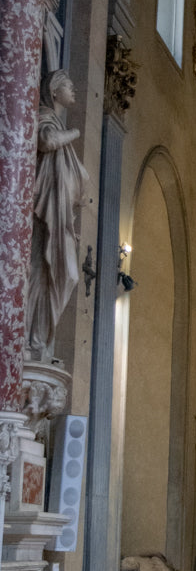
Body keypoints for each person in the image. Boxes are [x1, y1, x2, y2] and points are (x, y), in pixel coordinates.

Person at [26, 71, 89, 361]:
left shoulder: (57, 122)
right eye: (68, 85)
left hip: (60, 215)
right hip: (44, 212)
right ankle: (32, 341)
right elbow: (47, 141)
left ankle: (40, 341)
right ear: (54, 91)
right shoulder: (45, 116)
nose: (73, 89)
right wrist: (75, 133)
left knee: (68, 276)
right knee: (42, 272)